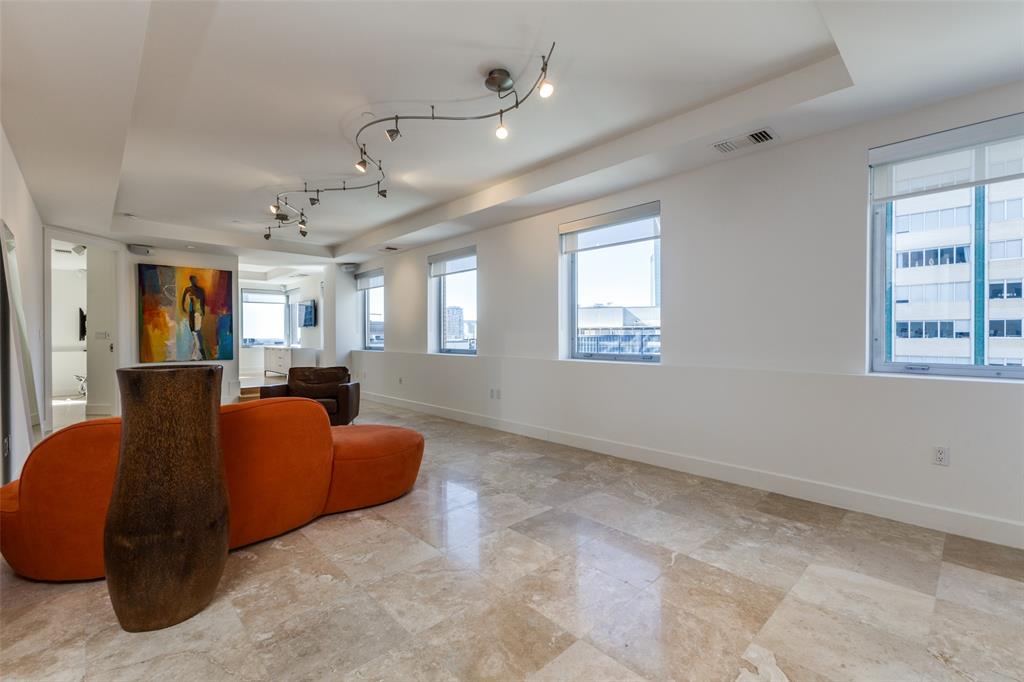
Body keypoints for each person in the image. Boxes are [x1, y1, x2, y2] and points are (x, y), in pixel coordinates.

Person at [181, 274, 207, 360]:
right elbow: (183, 299)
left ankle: (197, 354)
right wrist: (183, 307)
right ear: (191, 280)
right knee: (193, 331)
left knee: (196, 331)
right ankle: (197, 354)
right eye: (193, 280)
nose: (195, 281)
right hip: (192, 312)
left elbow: (203, 301)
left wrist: (203, 311)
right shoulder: (188, 289)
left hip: (198, 312)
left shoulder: (201, 290)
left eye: (196, 280)